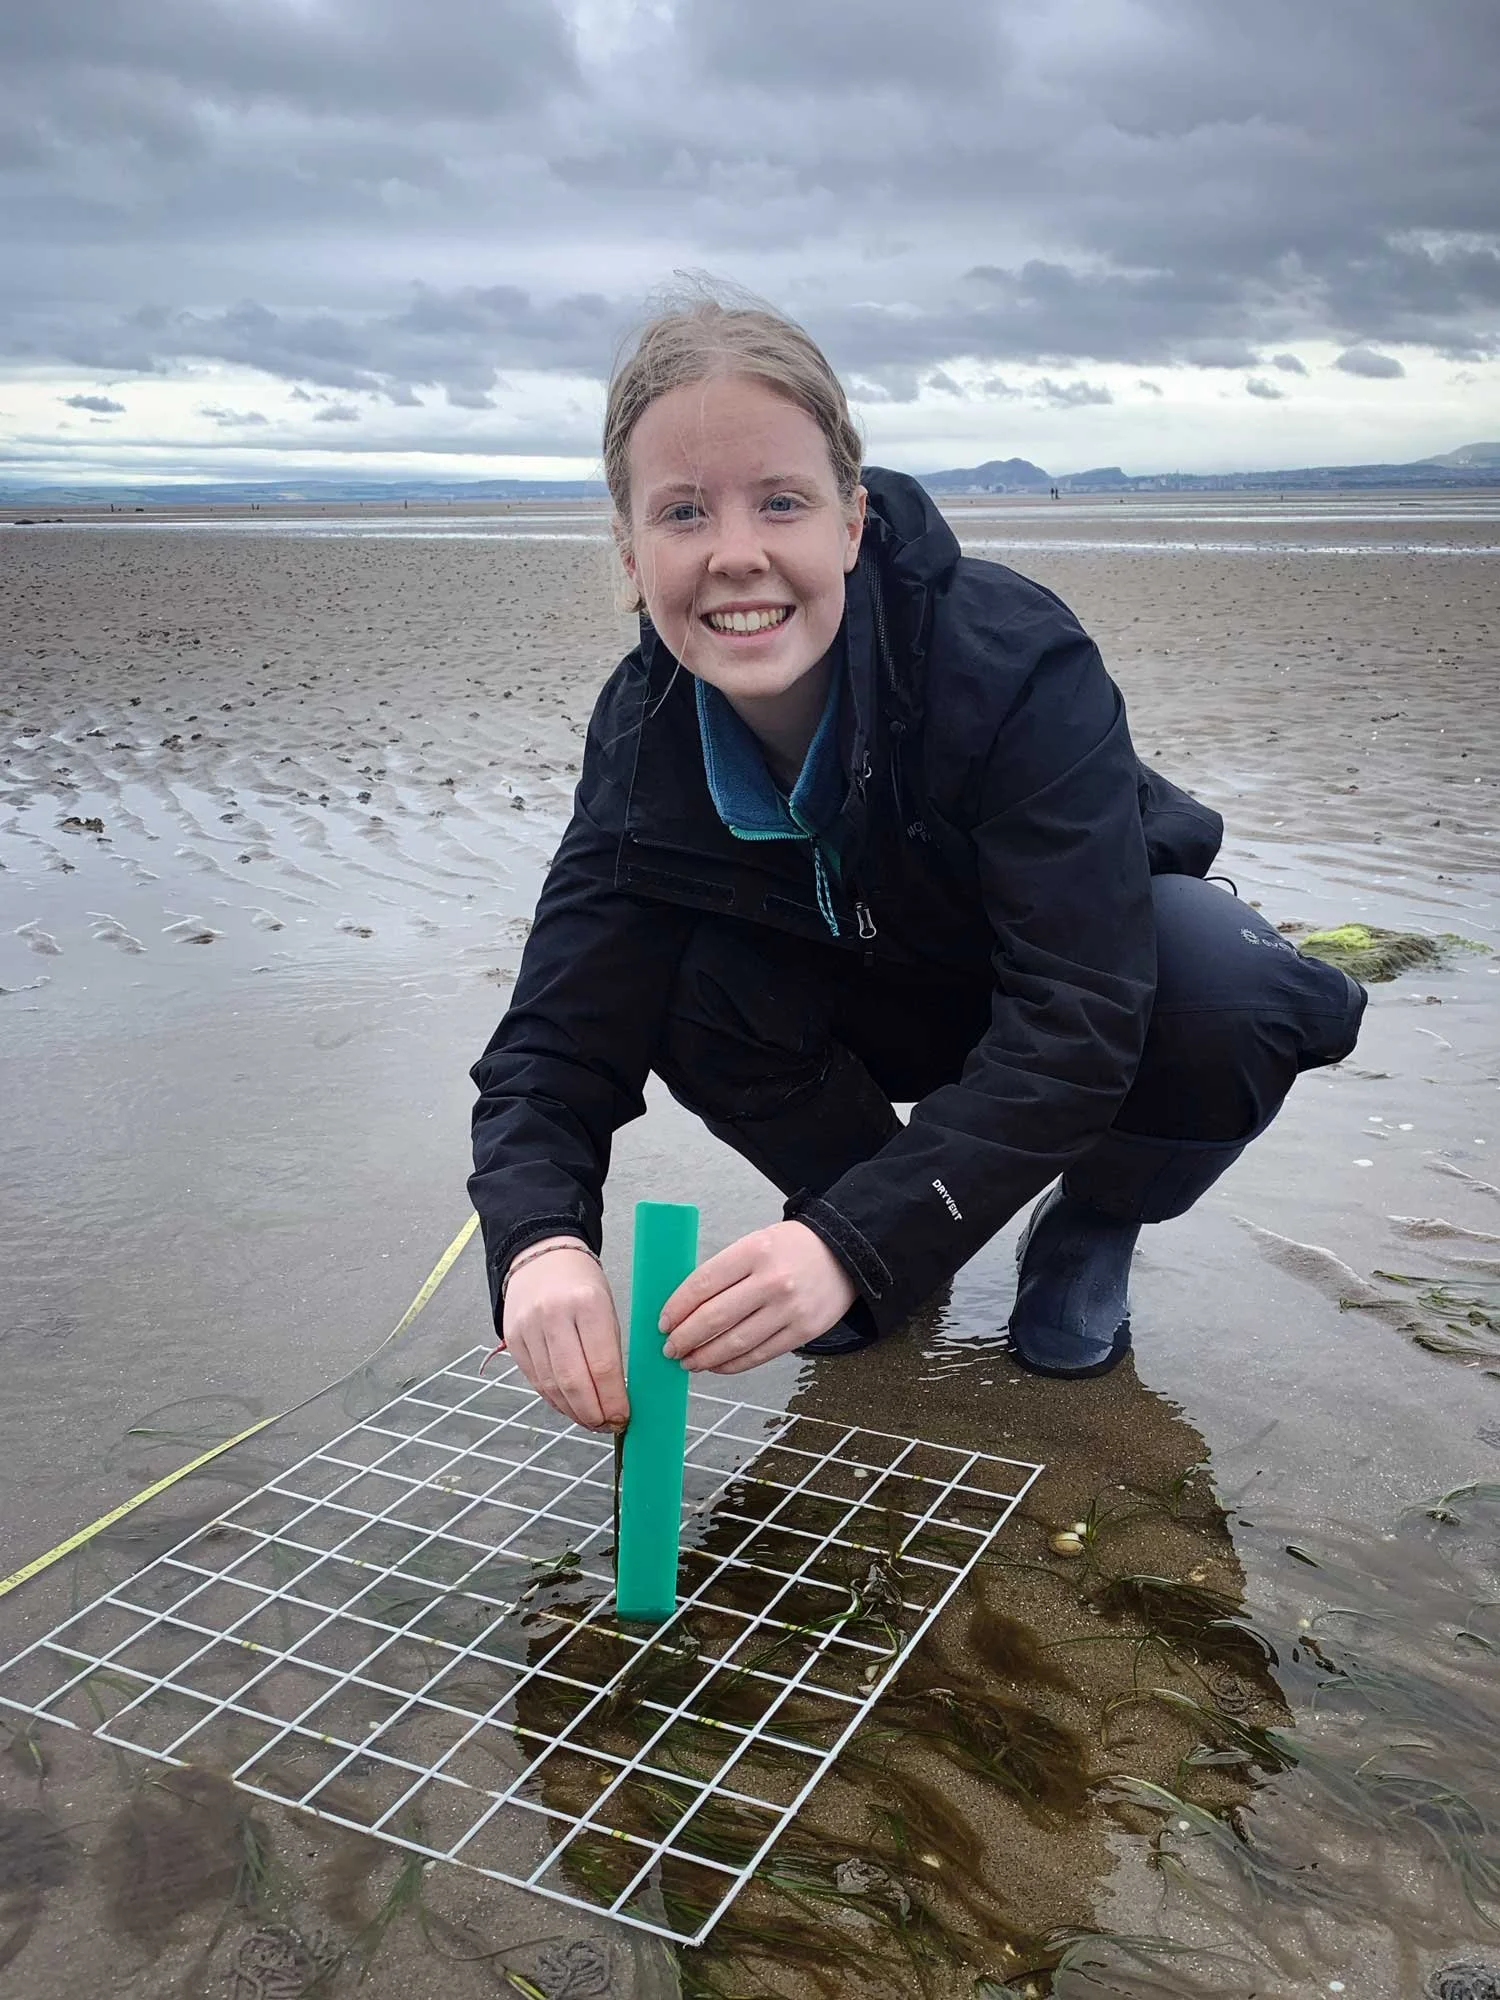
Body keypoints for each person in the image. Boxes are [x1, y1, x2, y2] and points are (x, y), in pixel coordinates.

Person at [468, 298, 1365, 1434]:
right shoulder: (643, 732)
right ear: (632, 549)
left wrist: (855, 1240)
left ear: (850, 519)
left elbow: (1080, 1013)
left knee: (1228, 992)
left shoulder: (1012, 657)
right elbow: (556, 1034)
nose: (736, 551)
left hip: (1045, 986)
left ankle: (1091, 1218)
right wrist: (539, 1241)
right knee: (679, 977)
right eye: (683, 511)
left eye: (781, 501)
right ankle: (883, 1229)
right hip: (851, 999)